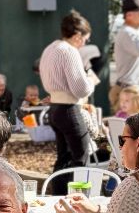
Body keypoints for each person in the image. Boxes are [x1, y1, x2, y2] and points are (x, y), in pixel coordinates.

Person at [39, 11, 101, 195]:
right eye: (85, 39)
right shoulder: (70, 51)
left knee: (63, 158)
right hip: (69, 110)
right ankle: (79, 202)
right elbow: (81, 89)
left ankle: (57, 200)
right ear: (77, 36)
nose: (84, 44)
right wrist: (91, 79)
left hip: (55, 108)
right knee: (81, 158)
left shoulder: (50, 48)